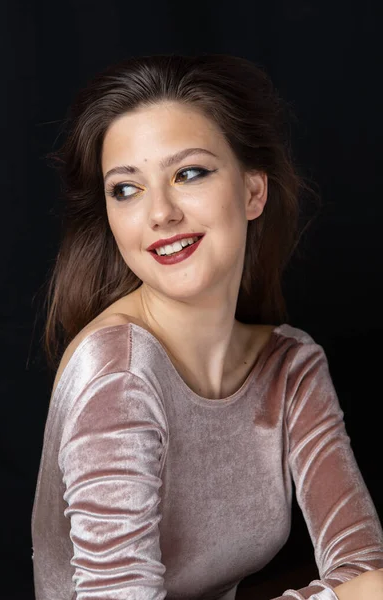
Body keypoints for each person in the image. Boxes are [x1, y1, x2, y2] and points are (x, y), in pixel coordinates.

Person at [31, 53, 383, 600]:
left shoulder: (290, 366)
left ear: (252, 192)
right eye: (126, 188)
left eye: (188, 173)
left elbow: (364, 568)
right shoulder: (117, 373)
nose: (160, 212)